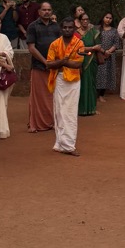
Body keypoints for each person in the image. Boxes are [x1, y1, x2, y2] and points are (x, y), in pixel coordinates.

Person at [45, 15, 84, 155]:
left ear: (74, 29)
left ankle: (69, 146)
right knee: (59, 111)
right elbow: (48, 64)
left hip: (73, 81)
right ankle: (60, 144)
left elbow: (78, 63)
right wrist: (65, 61)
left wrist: (61, 62)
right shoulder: (55, 44)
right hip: (59, 79)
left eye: (70, 28)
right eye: (65, 27)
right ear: (61, 29)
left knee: (71, 112)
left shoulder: (79, 43)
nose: (67, 30)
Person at [26, 2, 59, 132]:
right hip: (39, 66)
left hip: (54, 66)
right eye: (44, 10)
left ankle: (52, 122)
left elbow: (60, 45)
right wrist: (45, 61)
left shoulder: (56, 27)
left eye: (49, 10)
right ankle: (35, 124)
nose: (46, 12)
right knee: (38, 96)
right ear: (39, 11)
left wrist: (55, 62)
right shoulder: (33, 26)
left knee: (53, 96)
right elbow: (31, 48)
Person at [77, 12, 101, 116]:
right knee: (81, 85)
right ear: (79, 21)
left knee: (91, 84)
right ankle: (81, 109)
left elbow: (98, 46)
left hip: (91, 60)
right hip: (79, 60)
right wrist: (91, 48)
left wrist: (88, 51)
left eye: (87, 19)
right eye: (83, 20)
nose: (85, 21)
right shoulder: (76, 33)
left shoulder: (93, 32)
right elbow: (76, 48)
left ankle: (92, 108)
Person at [96, 12, 119, 101]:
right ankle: (95, 95)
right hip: (98, 54)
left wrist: (109, 51)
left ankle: (101, 95)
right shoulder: (97, 29)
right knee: (98, 74)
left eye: (110, 18)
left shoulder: (114, 30)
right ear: (103, 18)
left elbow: (116, 43)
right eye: (106, 17)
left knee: (106, 75)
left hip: (109, 56)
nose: (108, 20)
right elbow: (94, 41)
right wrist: (103, 51)